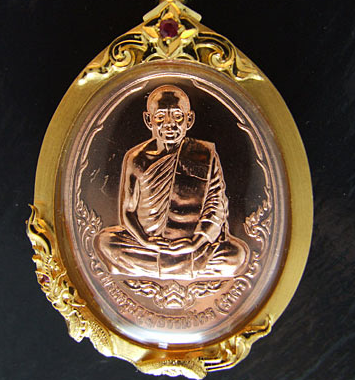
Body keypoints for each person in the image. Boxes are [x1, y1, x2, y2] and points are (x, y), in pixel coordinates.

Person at [94, 85, 249, 280]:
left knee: (237, 255)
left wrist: (195, 242)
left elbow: (216, 207)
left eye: (177, 116)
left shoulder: (204, 155)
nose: (169, 124)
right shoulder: (137, 159)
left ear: (189, 120)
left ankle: (157, 267)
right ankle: (184, 268)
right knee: (105, 242)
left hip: (194, 247)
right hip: (150, 246)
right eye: (160, 117)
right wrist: (146, 241)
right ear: (148, 120)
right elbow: (128, 212)